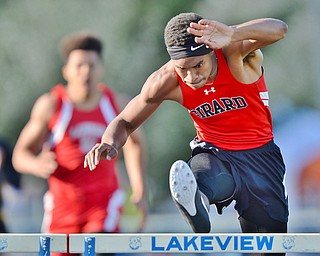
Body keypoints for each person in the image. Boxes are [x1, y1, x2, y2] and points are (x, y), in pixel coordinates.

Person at [84, 12, 288, 255]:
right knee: (201, 172)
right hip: (215, 153)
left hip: (260, 157)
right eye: (183, 69)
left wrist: (233, 33)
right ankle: (198, 200)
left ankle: (205, 201)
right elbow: (125, 121)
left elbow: (280, 29)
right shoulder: (166, 80)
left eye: (199, 65)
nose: (192, 77)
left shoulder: (233, 53)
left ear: (211, 50)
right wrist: (110, 142)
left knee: (269, 250)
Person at [12, 32, 147, 256]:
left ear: (101, 69)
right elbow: (19, 155)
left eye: (92, 65)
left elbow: (136, 143)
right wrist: (37, 164)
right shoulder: (51, 105)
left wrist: (139, 188)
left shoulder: (117, 105)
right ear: (66, 71)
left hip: (103, 207)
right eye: (79, 65)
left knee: (98, 248)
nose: (86, 71)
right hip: (62, 211)